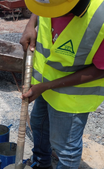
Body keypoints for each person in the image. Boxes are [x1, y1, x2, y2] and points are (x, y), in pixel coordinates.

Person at [20, 0, 104, 169]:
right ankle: (41, 163)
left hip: (72, 96)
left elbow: (100, 69)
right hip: (45, 85)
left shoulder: (100, 17)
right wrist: (30, 24)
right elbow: (43, 6)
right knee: (38, 124)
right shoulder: (51, 2)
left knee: (65, 148)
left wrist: (46, 86)